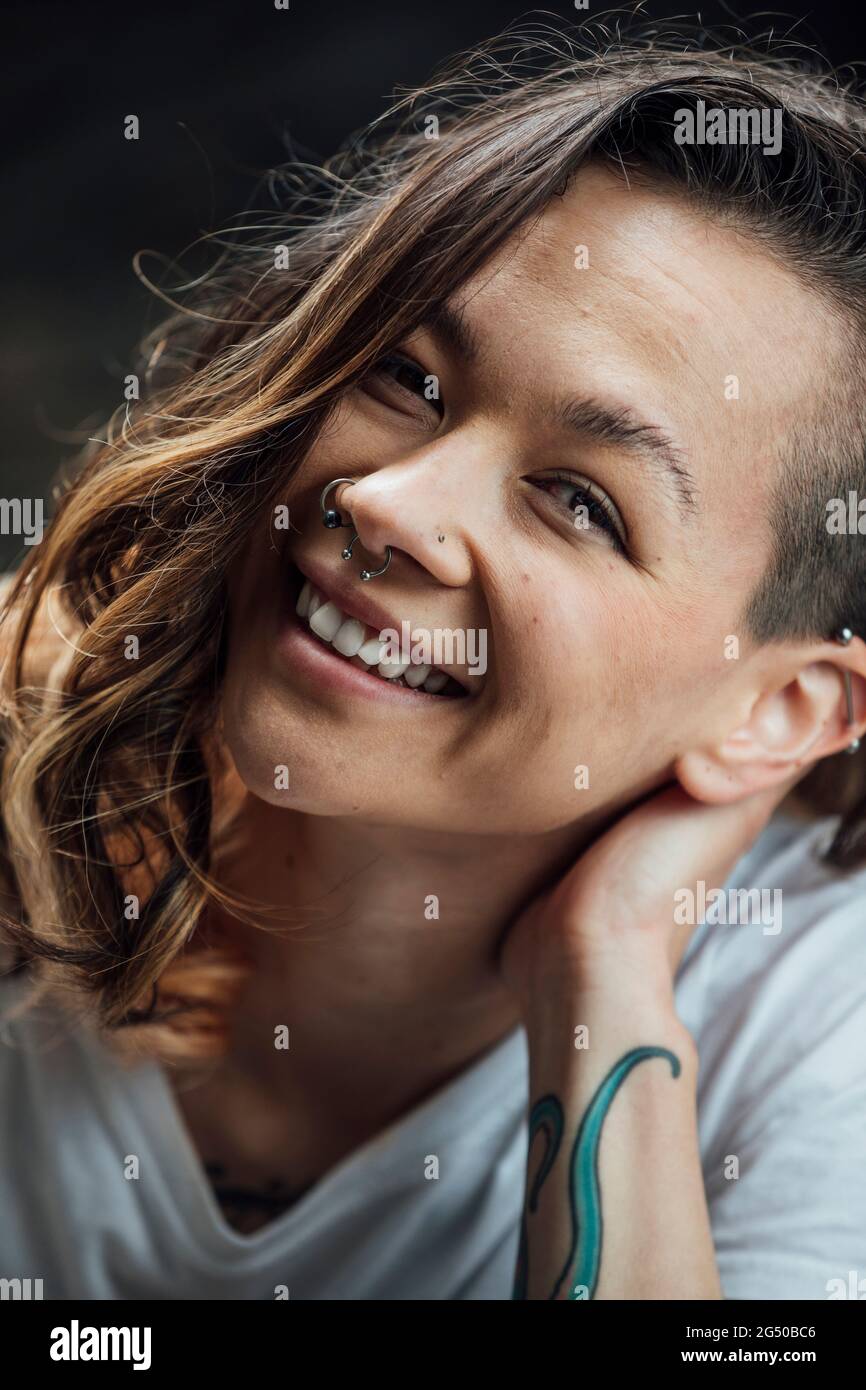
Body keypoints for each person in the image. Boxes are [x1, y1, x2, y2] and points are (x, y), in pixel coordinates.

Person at [2, 20, 866, 1300]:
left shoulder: (815, 1030)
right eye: (410, 378)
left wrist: (605, 977)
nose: (392, 502)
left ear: (779, 709)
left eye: (579, 501)